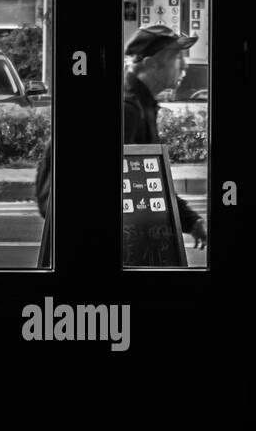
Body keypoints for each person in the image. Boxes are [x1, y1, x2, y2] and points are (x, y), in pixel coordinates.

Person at [35, 24, 208, 267]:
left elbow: (150, 183)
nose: (185, 65)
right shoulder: (126, 109)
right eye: (177, 57)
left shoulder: (140, 105)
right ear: (150, 64)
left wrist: (190, 221)